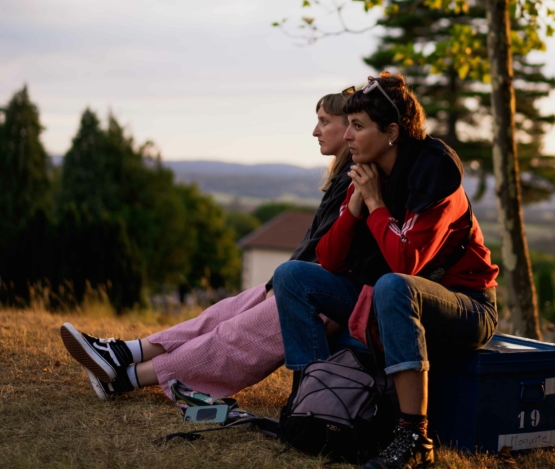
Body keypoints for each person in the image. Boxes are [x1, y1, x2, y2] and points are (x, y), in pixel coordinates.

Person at [272, 73, 498, 469]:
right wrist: (357, 204)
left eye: (358, 127)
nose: (349, 136)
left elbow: (406, 263)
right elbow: (329, 260)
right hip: (392, 297)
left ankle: (414, 437)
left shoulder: (435, 174)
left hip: (466, 306)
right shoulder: (367, 169)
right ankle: (313, 399)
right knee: (292, 276)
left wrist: (375, 204)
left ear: (392, 132)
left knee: (394, 285)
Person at [60, 93, 352, 402]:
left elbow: (332, 252)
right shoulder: (343, 180)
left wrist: (287, 285)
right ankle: (122, 352)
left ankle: (123, 378)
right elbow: (315, 243)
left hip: (323, 295)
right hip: (308, 283)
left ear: (350, 128)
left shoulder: (358, 181)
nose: (315, 131)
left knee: (232, 336)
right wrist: (279, 283)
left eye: (324, 121)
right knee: (219, 314)